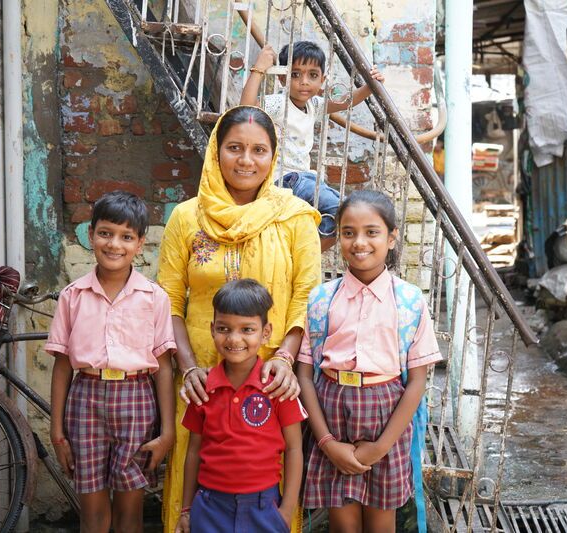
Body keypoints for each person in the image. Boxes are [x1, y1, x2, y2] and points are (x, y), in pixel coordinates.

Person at [158, 105, 322, 531]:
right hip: (200, 382)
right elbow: (169, 302)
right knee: (197, 487)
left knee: (268, 491)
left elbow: (308, 296)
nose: (246, 160)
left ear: (273, 156)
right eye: (234, 148)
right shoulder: (186, 218)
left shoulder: (293, 217)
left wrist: (285, 358)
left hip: (271, 381)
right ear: (216, 152)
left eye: (258, 150)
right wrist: (189, 366)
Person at [296, 190, 442, 533]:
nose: (359, 242)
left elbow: (416, 381)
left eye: (371, 232)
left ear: (391, 238)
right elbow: (305, 375)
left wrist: (381, 447)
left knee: (381, 522)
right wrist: (327, 443)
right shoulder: (321, 300)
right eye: (348, 232)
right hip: (330, 411)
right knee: (343, 524)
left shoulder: (408, 302)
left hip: (387, 414)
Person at [46, 191, 176, 533]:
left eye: (126, 236)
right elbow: (62, 364)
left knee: (130, 513)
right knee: (92, 512)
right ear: (90, 235)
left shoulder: (154, 298)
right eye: (105, 233)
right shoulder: (72, 296)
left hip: (136, 400)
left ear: (141, 243)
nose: (114, 244)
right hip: (85, 399)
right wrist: (56, 429)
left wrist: (168, 431)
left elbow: (163, 365)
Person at [175, 279, 307, 533]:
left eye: (247, 329)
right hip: (210, 508)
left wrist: (286, 511)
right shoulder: (203, 388)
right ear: (212, 329)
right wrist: (187, 509)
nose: (234, 339)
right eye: (224, 328)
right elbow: (193, 452)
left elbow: (294, 449)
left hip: (263, 508)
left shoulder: (278, 387)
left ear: (265, 332)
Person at [240, 41, 385, 252]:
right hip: (286, 180)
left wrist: (371, 85)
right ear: (282, 78)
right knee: (344, 211)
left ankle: (301, 255)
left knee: (347, 215)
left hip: (306, 179)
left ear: (322, 80)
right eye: (295, 74)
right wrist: (259, 69)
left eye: (313, 76)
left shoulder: (314, 105)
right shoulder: (279, 104)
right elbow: (245, 110)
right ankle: (303, 255)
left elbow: (346, 102)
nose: (304, 82)